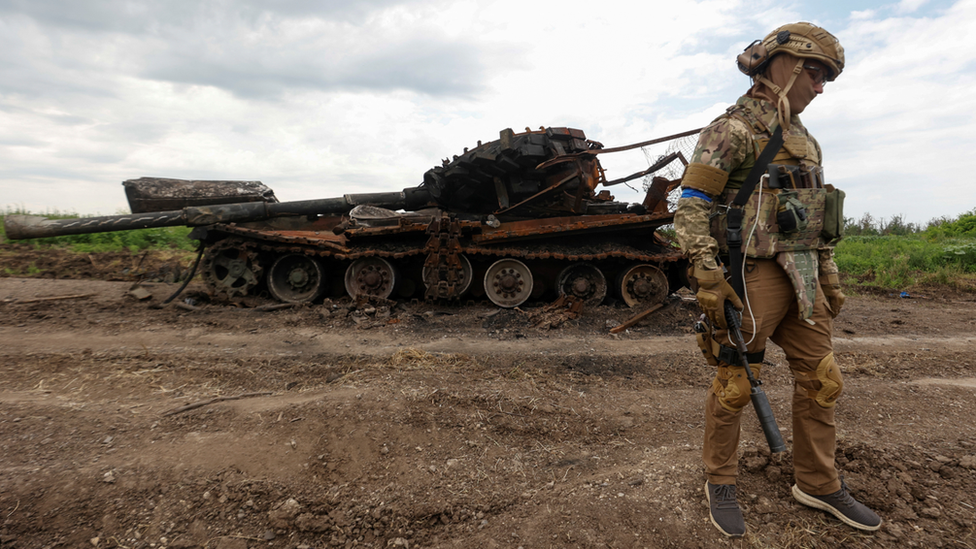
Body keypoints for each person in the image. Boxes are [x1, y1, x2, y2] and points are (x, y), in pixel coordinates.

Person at [673, 22, 882, 538]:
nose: (821, 85)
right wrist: (704, 271)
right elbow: (692, 206)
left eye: (827, 76)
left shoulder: (806, 141)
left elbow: (815, 219)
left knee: (823, 380)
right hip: (750, 273)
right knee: (736, 381)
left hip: (804, 277)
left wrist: (829, 274)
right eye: (815, 71)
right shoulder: (731, 129)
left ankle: (817, 482)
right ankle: (719, 479)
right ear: (781, 68)